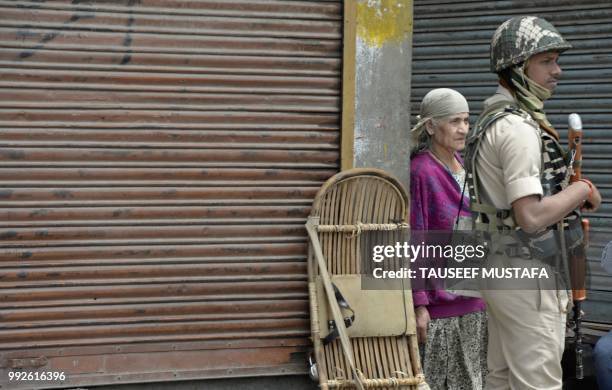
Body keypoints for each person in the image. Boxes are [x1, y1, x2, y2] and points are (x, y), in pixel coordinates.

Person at [464, 16, 602, 389]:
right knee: (537, 381)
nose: (557, 71)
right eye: (546, 61)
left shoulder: (490, 118)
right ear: (517, 67)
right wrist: (582, 190)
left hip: (500, 265)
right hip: (527, 271)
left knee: (502, 377)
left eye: (557, 61)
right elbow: (530, 216)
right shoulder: (518, 129)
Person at [410, 88, 488, 390]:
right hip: (441, 311)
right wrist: (419, 304)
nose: (463, 129)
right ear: (431, 126)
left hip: (475, 302)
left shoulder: (463, 165)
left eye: (467, 121)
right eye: (455, 121)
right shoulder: (421, 171)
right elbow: (416, 240)